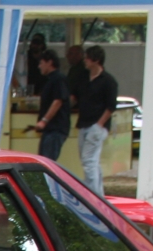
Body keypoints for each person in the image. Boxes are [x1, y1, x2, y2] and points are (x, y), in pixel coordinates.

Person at [73, 45, 117, 196]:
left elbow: (111, 106)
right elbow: (76, 96)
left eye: (87, 58)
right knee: (92, 161)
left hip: (97, 125)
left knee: (88, 161)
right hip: (84, 123)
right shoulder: (84, 78)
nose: (84, 60)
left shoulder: (108, 81)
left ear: (96, 60)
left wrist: (100, 124)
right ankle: (98, 194)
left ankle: (91, 196)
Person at [32, 49, 70, 161]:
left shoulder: (58, 79)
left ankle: (49, 179)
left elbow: (58, 101)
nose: (39, 66)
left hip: (55, 128)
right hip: (50, 129)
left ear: (49, 62)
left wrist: (44, 120)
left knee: (47, 161)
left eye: (41, 63)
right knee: (43, 159)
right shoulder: (50, 80)